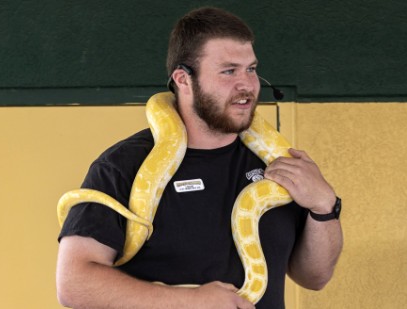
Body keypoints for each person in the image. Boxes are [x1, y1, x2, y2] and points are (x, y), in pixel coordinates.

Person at [56, 6, 343, 309]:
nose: (247, 84)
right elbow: (74, 284)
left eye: (252, 69)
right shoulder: (123, 166)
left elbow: (314, 277)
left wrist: (324, 206)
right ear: (183, 80)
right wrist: (190, 301)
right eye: (229, 71)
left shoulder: (277, 167)